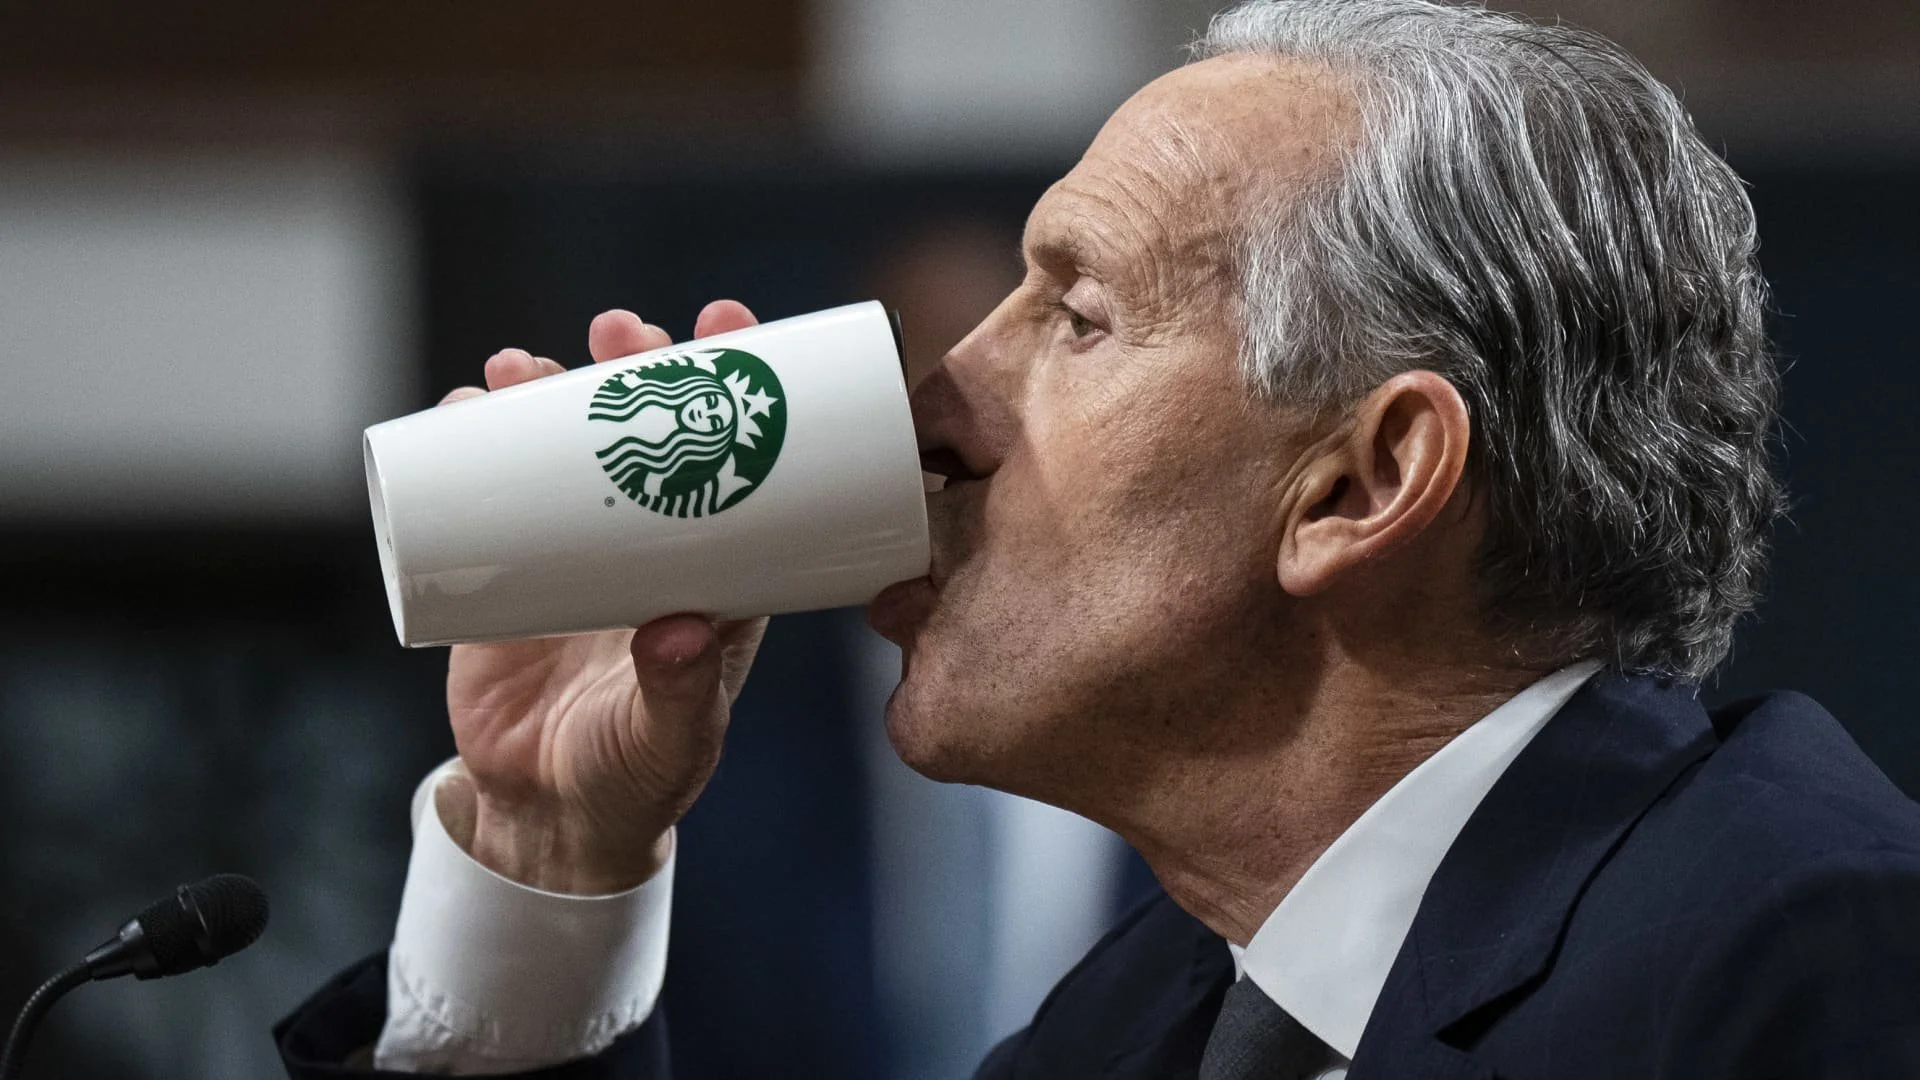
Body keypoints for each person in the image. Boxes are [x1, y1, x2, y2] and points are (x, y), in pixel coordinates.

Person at [278, 1, 1920, 1076]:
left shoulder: (1807, 960)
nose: (932, 408)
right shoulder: (1131, 1033)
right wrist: (555, 853)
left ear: (1362, 481)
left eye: (1073, 313)